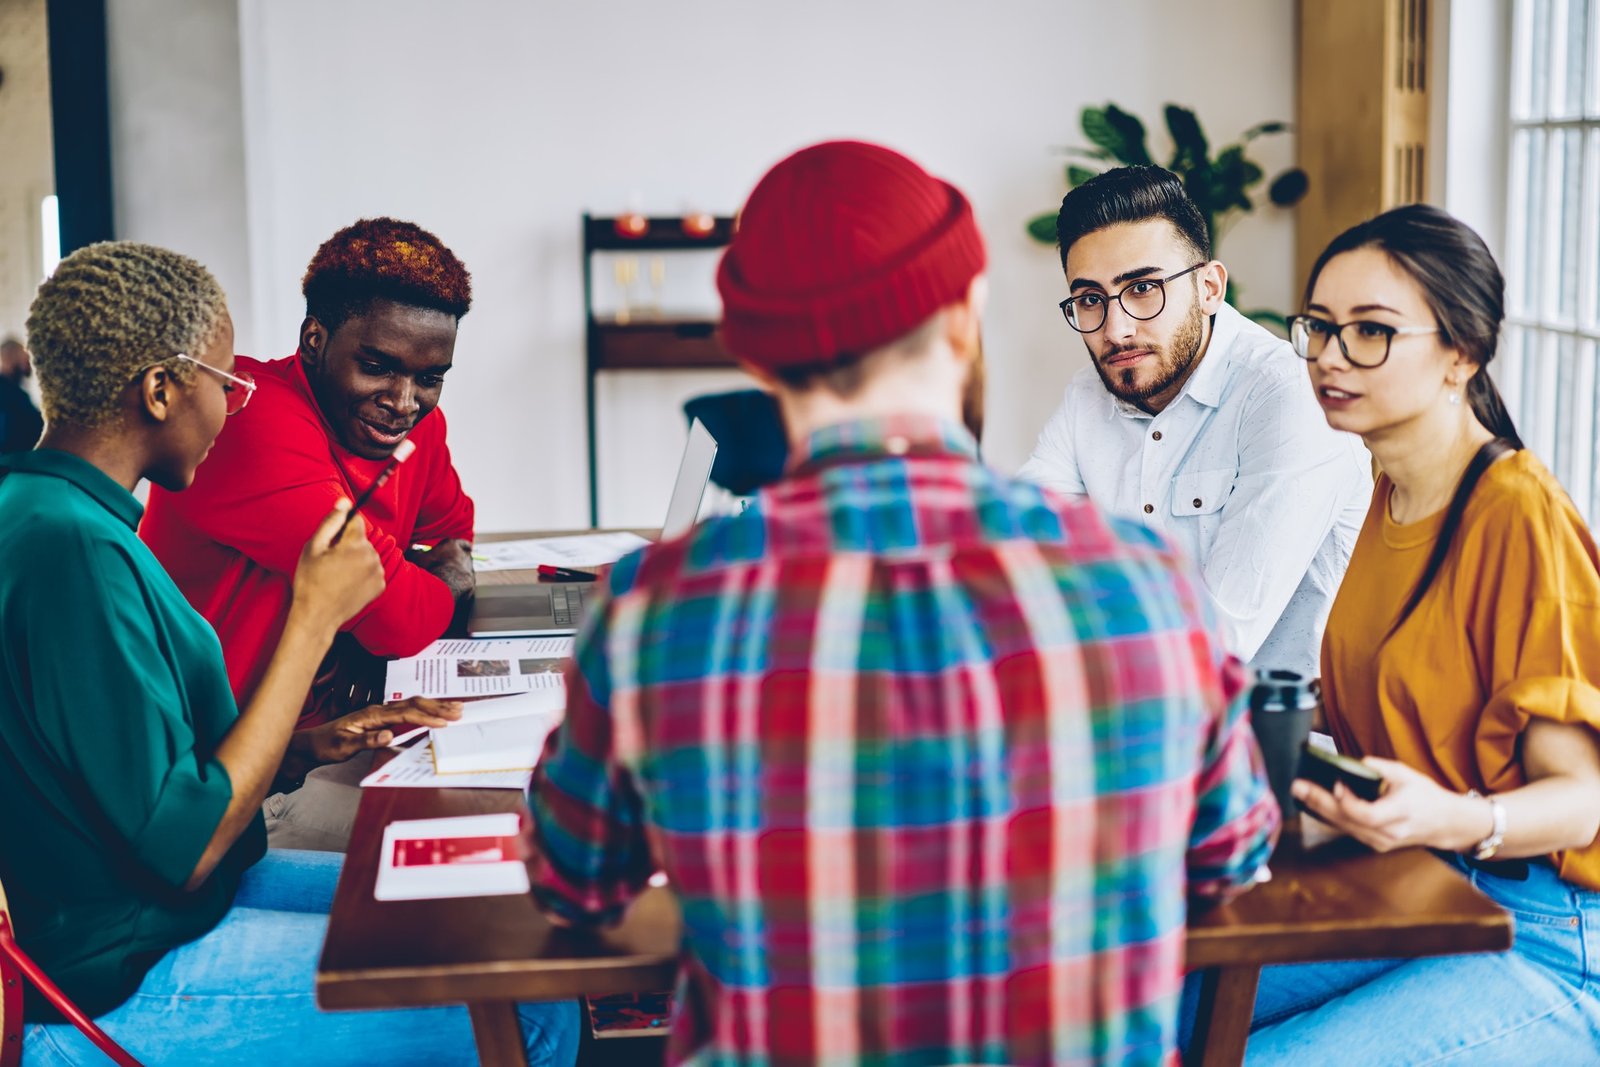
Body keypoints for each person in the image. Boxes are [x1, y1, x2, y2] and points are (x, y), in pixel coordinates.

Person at [527, 140, 1279, 1065]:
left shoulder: (651, 610)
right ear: (966, 319)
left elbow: (573, 885)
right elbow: (1230, 857)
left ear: (756, 363)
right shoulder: (1149, 586)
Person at [0, 241, 577, 1065]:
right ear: (162, 389)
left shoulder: (52, 515)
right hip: (115, 967)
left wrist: (307, 745)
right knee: (528, 1012)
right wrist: (311, 620)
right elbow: (186, 846)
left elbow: (139, 778)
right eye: (223, 382)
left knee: (504, 921)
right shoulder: (73, 551)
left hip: (158, 904)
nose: (234, 404)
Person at [1221, 205, 1600, 1061]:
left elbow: (1583, 800)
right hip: (1424, 877)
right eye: (1318, 326)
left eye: (1370, 332)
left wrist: (1454, 816)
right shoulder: (1386, 490)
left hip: (1546, 932)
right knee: (1156, 1010)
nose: (1328, 355)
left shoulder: (1515, 510)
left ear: (1461, 352)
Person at [141, 217, 479, 851]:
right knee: (469, 838)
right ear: (314, 339)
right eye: (377, 366)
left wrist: (420, 579)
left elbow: (453, 528)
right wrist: (440, 579)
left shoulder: (409, 425)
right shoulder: (247, 419)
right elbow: (401, 619)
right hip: (239, 781)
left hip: (335, 738)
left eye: (430, 377)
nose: (403, 401)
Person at [1018, 166, 1371, 679]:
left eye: (1142, 288)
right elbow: (1019, 560)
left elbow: (1218, 639)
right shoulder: (1088, 396)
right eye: (1091, 299)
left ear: (1209, 288)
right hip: (1132, 724)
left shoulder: (1290, 398)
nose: (1116, 330)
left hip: (1278, 744)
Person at [0, 335, 44, 453]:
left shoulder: (14, 394)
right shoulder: (9, 396)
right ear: (9, 358)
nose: (28, 364)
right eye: (24, 358)